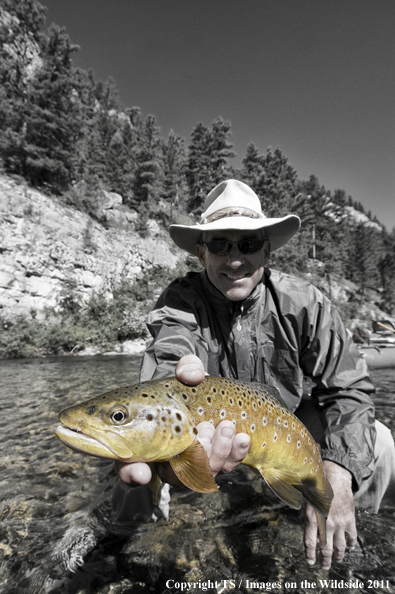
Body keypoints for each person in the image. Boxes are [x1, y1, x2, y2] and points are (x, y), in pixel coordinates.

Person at [114, 179, 395, 571]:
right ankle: (124, 557)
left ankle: (346, 536)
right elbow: (169, 357)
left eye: (247, 244)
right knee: (136, 465)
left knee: (378, 443)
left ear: (266, 249)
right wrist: (177, 377)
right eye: (219, 245)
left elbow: (349, 390)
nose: (234, 259)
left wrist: (337, 473)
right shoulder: (181, 301)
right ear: (201, 252)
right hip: (206, 436)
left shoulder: (304, 303)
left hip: (283, 429)